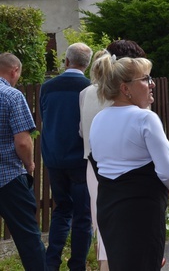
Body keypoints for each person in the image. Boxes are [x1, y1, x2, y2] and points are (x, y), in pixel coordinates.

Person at [89, 54, 169, 271]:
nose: (152, 84)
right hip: (141, 207)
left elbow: (100, 163)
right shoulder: (145, 118)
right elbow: (168, 172)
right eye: (145, 79)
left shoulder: (99, 119)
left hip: (109, 206)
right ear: (125, 88)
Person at [80, 40, 146, 271]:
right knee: (128, 225)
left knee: (102, 223)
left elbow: (82, 130)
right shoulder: (121, 93)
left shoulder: (85, 93)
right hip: (123, 164)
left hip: (92, 164)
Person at [40, 42, 94, 271]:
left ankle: (51, 262)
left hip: (53, 157)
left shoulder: (48, 87)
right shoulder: (89, 88)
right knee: (83, 215)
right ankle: (77, 265)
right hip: (80, 159)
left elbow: (45, 116)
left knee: (61, 209)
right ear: (87, 64)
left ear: (66, 61)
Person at [0, 53, 47, 270]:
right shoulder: (11, 96)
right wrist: (29, 165)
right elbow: (23, 142)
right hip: (8, 178)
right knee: (28, 239)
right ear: (14, 71)